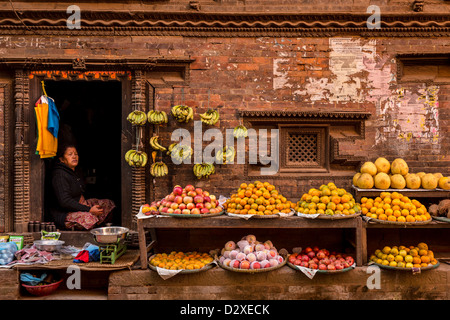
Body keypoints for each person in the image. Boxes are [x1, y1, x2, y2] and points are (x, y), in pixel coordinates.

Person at [49, 145, 115, 230]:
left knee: (107, 204)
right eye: (70, 154)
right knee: (90, 218)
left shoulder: (74, 171)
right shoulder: (59, 175)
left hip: (80, 206)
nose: (74, 156)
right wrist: (88, 209)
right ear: (61, 159)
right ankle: (89, 232)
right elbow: (65, 201)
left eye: (76, 154)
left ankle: (103, 229)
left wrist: (87, 205)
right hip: (64, 213)